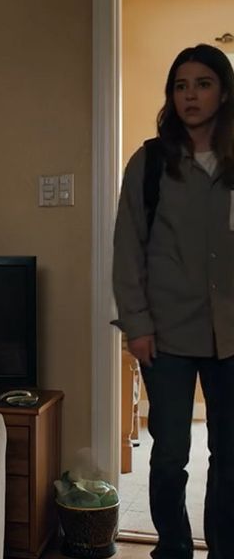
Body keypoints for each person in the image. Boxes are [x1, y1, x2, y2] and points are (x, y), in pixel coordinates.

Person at [112, 43, 234, 559]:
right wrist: (136, 325)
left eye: (203, 83)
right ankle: (174, 549)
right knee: (168, 457)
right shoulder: (150, 162)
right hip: (165, 335)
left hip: (231, 335)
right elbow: (127, 248)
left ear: (223, 93)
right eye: (181, 86)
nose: (191, 95)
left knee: (229, 457)